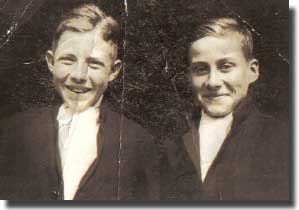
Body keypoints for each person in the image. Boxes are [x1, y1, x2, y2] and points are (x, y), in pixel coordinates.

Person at [0, 3, 159, 200]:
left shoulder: (138, 143)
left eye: (94, 64)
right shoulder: (12, 131)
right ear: (51, 62)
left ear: (114, 71)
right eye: (68, 60)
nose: (79, 75)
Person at [161, 17, 289, 200]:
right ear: (189, 76)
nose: (213, 82)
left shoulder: (283, 140)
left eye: (226, 67)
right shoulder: (172, 146)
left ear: (252, 71)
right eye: (201, 69)